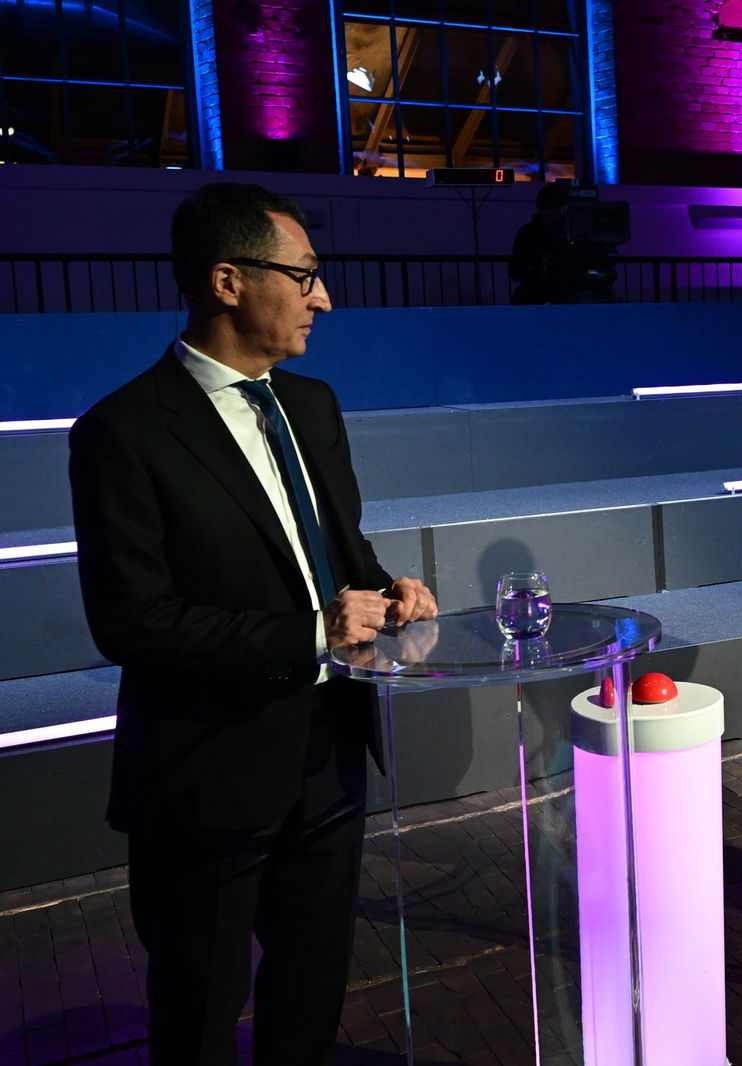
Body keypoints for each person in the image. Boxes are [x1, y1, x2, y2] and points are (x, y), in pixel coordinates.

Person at [68, 182, 439, 1063]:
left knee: (311, 992)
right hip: (209, 773)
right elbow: (131, 622)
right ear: (228, 281)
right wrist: (314, 631)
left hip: (330, 752)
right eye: (304, 276)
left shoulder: (313, 404)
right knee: (198, 1011)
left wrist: (385, 589)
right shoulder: (123, 431)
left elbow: (334, 547)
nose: (324, 299)